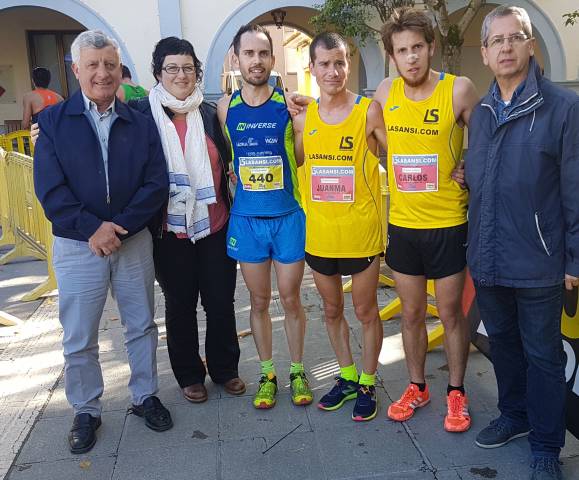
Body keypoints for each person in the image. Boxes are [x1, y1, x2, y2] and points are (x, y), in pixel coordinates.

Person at [33, 30, 173, 455]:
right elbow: (50, 189)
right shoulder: (54, 123)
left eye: (109, 64)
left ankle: (145, 396)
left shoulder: (139, 120)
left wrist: (121, 227)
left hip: (131, 243)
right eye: (92, 65)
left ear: (119, 70)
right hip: (78, 247)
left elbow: (156, 183)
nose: (102, 72)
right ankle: (86, 410)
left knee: (142, 325)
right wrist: (93, 229)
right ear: (76, 70)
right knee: (79, 337)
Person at [465, 5, 579, 479]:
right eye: (498, 41)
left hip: (540, 261)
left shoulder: (563, 108)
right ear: (486, 53)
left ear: (531, 46)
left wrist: (575, 258)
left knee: (544, 357)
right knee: (504, 346)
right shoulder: (484, 112)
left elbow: (575, 190)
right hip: (488, 257)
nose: (507, 47)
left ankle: (547, 447)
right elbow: (480, 175)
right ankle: (514, 416)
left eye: (517, 38)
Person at [374, 7, 479, 432]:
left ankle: (457, 393)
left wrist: (472, 168)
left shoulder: (459, 90)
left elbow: (492, 142)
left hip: (448, 223)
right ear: (393, 57)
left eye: (418, 47)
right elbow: (362, 133)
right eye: (402, 51)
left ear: (431, 48)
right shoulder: (384, 92)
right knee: (413, 314)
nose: (412, 57)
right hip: (403, 225)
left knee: (451, 313)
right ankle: (417, 386)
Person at [131, 37, 245, 403]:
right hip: (169, 232)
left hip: (215, 225)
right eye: (172, 68)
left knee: (220, 300)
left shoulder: (211, 114)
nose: (181, 75)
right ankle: (189, 374)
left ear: (197, 71)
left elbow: (236, 152)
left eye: (188, 68)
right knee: (180, 304)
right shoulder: (139, 116)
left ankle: (225, 368)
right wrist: (45, 130)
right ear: (157, 73)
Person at [216, 24, 313, 409]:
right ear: (236, 59)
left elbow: (301, 157)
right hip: (247, 221)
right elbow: (226, 157)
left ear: (273, 59)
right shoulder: (225, 108)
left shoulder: (289, 104)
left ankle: (298, 370)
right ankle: (268, 373)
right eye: (249, 54)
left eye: (263, 54)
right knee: (258, 301)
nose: (256, 61)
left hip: (287, 216)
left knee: (291, 299)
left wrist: (302, 126)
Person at [293, 32, 388, 421]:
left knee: (366, 310)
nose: (333, 71)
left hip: (360, 231)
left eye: (340, 62)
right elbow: (293, 162)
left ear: (348, 64)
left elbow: (400, 156)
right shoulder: (303, 118)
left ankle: (368, 380)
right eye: (325, 64)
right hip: (320, 233)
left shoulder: (369, 111)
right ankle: (347, 376)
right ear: (312, 69)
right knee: (332, 309)